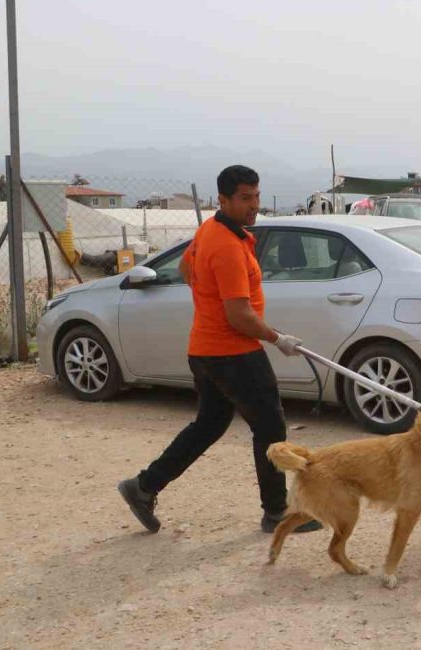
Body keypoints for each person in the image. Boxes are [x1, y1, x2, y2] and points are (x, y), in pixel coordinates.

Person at [117, 165, 323, 536]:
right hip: (233, 352)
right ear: (223, 200)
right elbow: (239, 315)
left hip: (206, 348)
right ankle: (277, 513)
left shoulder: (210, 231)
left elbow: (184, 268)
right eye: (245, 198)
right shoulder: (226, 245)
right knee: (271, 427)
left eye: (257, 196)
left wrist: (208, 298)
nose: (254, 205)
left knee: (209, 424)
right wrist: (278, 339)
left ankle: (143, 487)